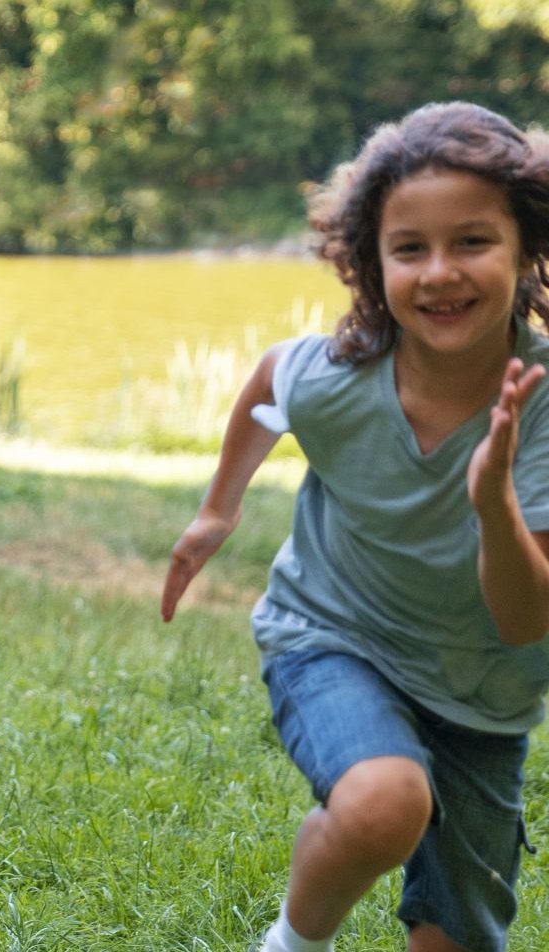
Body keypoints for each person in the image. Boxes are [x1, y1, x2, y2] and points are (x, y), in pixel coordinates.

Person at [161, 102, 549, 952]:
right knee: (384, 802)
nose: (440, 272)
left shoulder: (545, 401)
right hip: (334, 635)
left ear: (526, 247)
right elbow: (272, 380)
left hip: (486, 696)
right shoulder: (342, 374)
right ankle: (292, 944)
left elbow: (527, 621)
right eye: (410, 248)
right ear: (372, 263)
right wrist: (217, 508)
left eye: (473, 241)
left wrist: (493, 504)